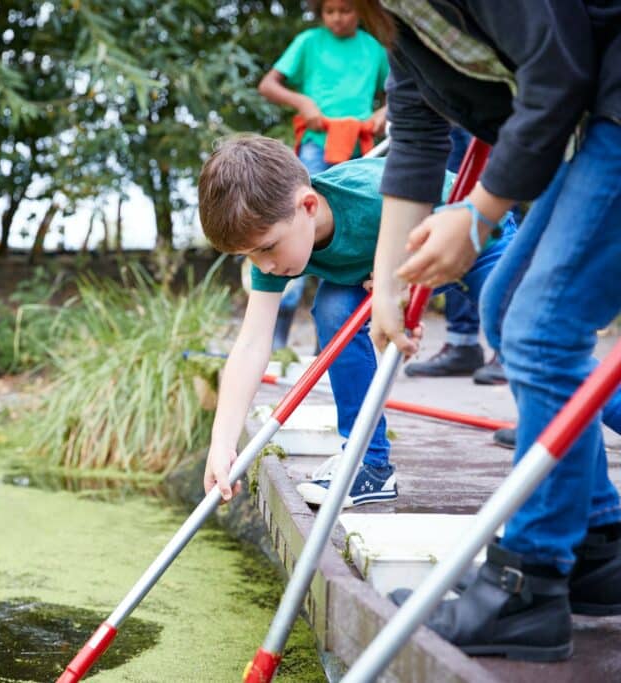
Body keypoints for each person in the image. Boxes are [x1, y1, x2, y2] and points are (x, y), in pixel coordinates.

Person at [359, 0, 621, 662]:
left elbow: (557, 71)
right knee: (510, 309)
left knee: (540, 328)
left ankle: (526, 584)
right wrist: (388, 283)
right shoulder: (397, 14)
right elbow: (416, 131)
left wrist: (476, 217)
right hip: (597, 120)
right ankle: (596, 542)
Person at [197, 134, 515, 508]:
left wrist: (400, 281)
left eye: (266, 248)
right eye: (248, 255)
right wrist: (221, 443)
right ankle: (368, 463)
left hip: (473, 236)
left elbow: (445, 216)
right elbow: (251, 344)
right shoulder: (274, 242)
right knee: (333, 310)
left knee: (520, 334)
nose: (263, 266)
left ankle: (567, 425)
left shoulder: (371, 198)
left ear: (309, 206)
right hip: (378, 272)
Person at [257, 0, 389, 350]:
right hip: (317, 144)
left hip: (360, 151)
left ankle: (328, 340)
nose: (337, 18)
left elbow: (403, 90)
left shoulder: (373, 48)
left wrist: (383, 113)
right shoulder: (309, 42)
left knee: (350, 236)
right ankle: (276, 339)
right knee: (295, 229)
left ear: (360, 11)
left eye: (345, 10)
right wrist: (304, 104)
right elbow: (269, 85)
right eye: (330, 11)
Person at [402, 126, 507, 383]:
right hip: (450, 111)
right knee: (451, 193)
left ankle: (512, 348)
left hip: (488, 103)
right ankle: (463, 343)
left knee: (480, 214)